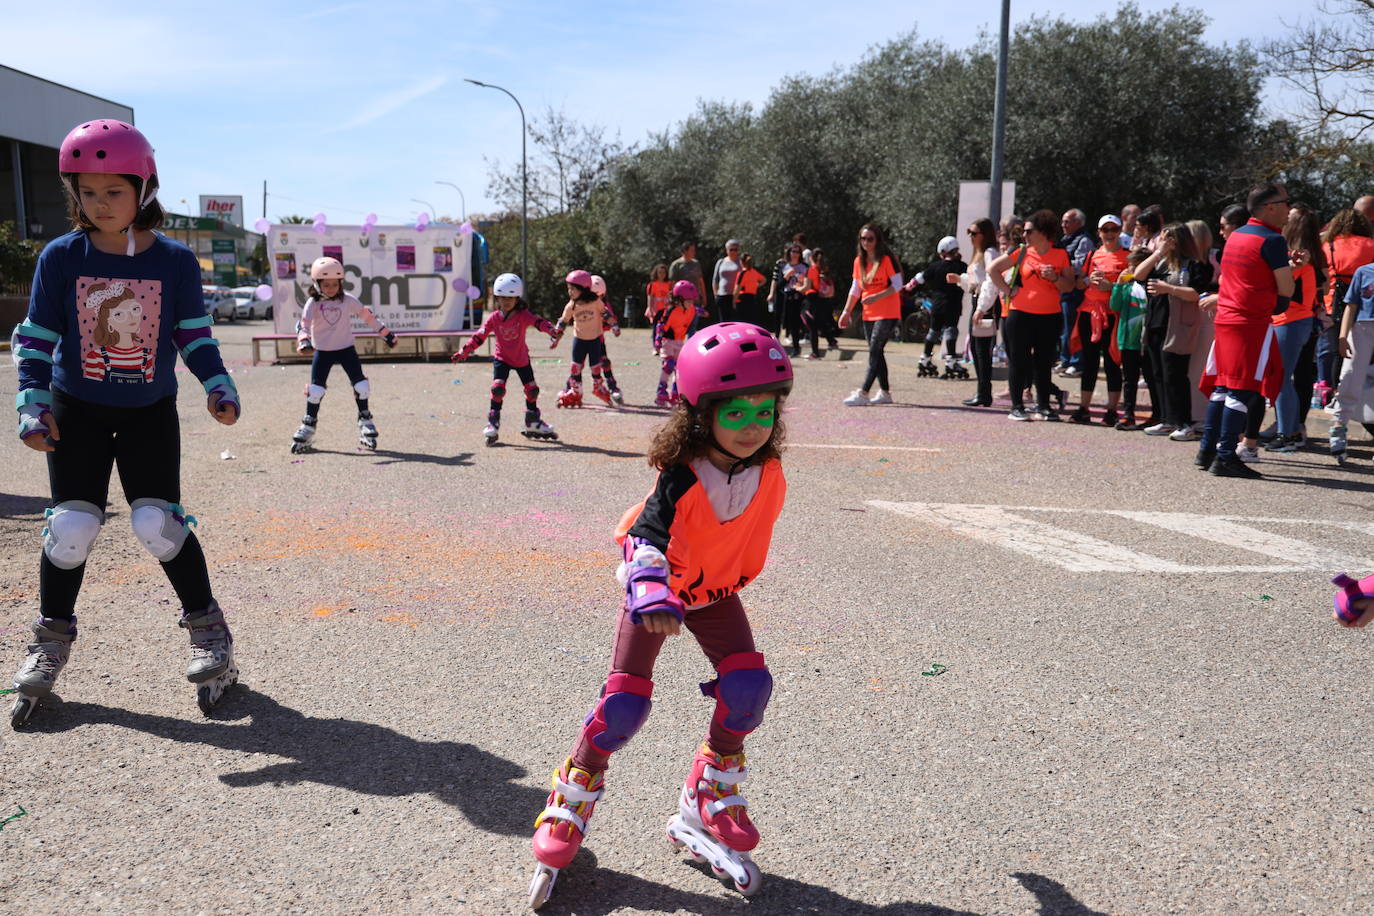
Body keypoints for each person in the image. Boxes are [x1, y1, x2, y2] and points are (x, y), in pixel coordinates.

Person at [527, 323, 792, 909]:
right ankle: (573, 793)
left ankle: (709, 788)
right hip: (660, 596)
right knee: (624, 703)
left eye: (764, 412)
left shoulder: (766, 471)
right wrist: (648, 586)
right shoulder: (681, 475)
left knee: (747, 687)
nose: (753, 427)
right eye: (736, 414)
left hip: (714, 591)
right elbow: (647, 533)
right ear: (701, 417)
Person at [9, 119, 242, 725]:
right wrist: (31, 402)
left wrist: (216, 384)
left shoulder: (173, 261)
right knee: (70, 528)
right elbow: (35, 337)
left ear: (144, 188)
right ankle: (49, 644)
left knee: (156, 524)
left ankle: (210, 635)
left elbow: (192, 335)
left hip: (147, 413)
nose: (99, 203)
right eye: (86, 192)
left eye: (113, 191)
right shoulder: (62, 257)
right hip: (75, 408)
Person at [1196, 183, 1299, 478]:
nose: (1288, 209)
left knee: (1222, 387)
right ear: (1270, 207)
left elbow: (1242, 276)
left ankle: (1207, 451)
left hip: (1226, 318)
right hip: (1250, 322)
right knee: (1242, 390)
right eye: (1285, 203)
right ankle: (1226, 455)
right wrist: (1287, 272)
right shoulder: (1273, 240)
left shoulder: (1237, 235)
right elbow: (1286, 288)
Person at [292, 257, 398, 452]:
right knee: (315, 390)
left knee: (362, 385)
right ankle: (308, 425)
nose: (331, 288)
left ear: (341, 283)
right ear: (317, 284)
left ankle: (365, 419)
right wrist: (303, 341)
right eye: (326, 284)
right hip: (323, 351)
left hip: (346, 348)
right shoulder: (313, 303)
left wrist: (386, 334)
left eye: (335, 284)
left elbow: (368, 316)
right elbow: (303, 324)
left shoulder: (347, 300)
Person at [450, 272, 559, 445]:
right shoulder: (494, 318)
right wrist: (464, 351)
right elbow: (480, 336)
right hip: (502, 359)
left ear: (517, 299)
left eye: (511, 298)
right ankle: (493, 422)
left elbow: (538, 322)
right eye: (502, 298)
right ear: (496, 298)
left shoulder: (523, 315)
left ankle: (532, 421)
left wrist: (551, 330)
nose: (506, 302)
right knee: (497, 389)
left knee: (532, 390)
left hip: (521, 358)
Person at [989, 209, 1077, 421]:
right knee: (1018, 362)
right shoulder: (1021, 252)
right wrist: (1009, 290)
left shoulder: (1060, 255)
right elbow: (993, 270)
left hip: (1049, 316)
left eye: (1029, 231)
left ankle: (1044, 405)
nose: (1025, 236)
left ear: (1043, 232)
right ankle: (1017, 406)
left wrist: (1055, 278)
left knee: (1044, 362)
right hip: (1020, 315)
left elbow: (1069, 286)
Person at [1133, 223, 1210, 438]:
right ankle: (1166, 419)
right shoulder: (1161, 262)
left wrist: (1168, 289)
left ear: (1178, 240)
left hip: (1177, 326)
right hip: (1155, 322)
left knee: (1175, 374)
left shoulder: (1194, 264)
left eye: (1166, 238)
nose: (1161, 241)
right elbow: (1138, 275)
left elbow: (1196, 293)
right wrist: (1158, 253)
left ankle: (1184, 423)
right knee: (1157, 373)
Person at [1265, 210, 1323, 452]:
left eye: (1289, 217)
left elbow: (1281, 282)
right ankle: (1288, 430)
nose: (1284, 219)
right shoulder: (1308, 256)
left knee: (1280, 378)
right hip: (1293, 321)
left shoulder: (1301, 258)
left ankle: (1288, 434)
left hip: (1291, 321)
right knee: (1282, 378)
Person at [1068, 215, 1130, 425]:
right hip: (1089, 312)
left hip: (1113, 314)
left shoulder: (1128, 257)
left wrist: (1111, 288)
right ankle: (1084, 407)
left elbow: (1134, 289)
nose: (1110, 233)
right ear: (1099, 232)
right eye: (1105, 230)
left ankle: (1112, 410)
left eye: (1113, 229)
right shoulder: (1093, 255)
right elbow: (1079, 284)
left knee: (1113, 362)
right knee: (1090, 361)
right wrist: (1088, 280)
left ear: (1120, 231)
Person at [839, 224, 904, 406]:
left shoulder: (886, 260)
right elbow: (856, 288)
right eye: (863, 238)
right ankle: (884, 392)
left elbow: (898, 284)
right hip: (869, 313)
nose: (866, 242)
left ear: (877, 240)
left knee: (875, 349)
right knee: (877, 351)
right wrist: (847, 311)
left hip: (888, 311)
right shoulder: (858, 261)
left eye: (870, 239)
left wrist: (877, 296)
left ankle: (863, 392)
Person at [1317, 209, 1374, 402]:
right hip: (1366, 304)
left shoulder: (1329, 245)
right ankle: (1364, 396)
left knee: (1337, 352)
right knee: (1365, 355)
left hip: (1334, 302)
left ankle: (1335, 394)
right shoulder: (1371, 245)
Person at [1329, 249, 1374, 463]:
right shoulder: (1364, 272)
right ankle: (1339, 425)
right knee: (1350, 376)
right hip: (1363, 328)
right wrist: (1342, 336)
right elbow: (1351, 306)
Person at [552, 269, 621, 409]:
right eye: (568, 289)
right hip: (579, 340)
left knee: (596, 367)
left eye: (573, 289)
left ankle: (598, 388)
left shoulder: (595, 301)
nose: (570, 292)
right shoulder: (572, 304)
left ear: (584, 289)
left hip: (595, 340)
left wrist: (614, 325)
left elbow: (605, 313)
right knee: (575, 367)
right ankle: (576, 392)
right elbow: (563, 321)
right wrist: (556, 337)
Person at [1108, 247, 1152, 429]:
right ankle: (1128, 414)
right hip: (1128, 341)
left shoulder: (1150, 286)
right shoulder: (1126, 286)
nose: (1131, 270)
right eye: (1130, 266)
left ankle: (1158, 414)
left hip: (1147, 341)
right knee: (1130, 379)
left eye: (1135, 266)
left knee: (1152, 378)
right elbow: (1114, 305)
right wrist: (1118, 284)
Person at [960, 218, 1001, 407]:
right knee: (977, 351)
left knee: (982, 351)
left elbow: (992, 282)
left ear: (984, 235)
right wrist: (960, 280)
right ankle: (982, 391)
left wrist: (982, 308)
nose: (971, 237)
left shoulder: (990, 253)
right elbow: (976, 282)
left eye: (974, 233)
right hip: (978, 300)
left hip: (986, 304)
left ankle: (984, 393)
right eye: (969, 232)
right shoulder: (978, 253)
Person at [914, 236, 968, 379]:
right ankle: (951, 362)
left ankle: (924, 359)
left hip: (937, 305)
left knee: (933, 331)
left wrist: (908, 285)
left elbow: (920, 278)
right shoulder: (962, 266)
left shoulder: (935, 266)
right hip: (953, 305)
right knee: (951, 331)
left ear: (943, 251)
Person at [1056, 209, 1093, 376]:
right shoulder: (1065, 240)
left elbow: (1082, 264)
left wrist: (1060, 266)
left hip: (1076, 291)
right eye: (1063, 221)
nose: (1063, 225)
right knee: (1065, 328)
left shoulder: (1084, 240)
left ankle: (1077, 362)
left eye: (1067, 221)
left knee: (1074, 327)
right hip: (1064, 290)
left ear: (1078, 223)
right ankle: (1065, 360)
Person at [654, 280, 702, 406]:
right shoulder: (671, 311)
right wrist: (657, 341)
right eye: (689, 300)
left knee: (679, 369)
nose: (691, 303)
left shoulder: (691, 309)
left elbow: (695, 310)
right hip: (668, 341)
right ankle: (661, 393)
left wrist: (701, 311)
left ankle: (676, 393)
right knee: (668, 365)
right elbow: (661, 325)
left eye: (692, 300)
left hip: (680, 342)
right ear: (679, 299)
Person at [768, 244, 810, 357]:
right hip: (786, 297)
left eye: (797, 252)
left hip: (800, 298)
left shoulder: (805, 266)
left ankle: (796, 348)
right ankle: (778, 347)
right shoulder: (783, 266)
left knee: (795, 324)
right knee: (782, 322)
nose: (795, 254)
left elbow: (808, 283)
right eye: (793, 251)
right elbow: (779, 285)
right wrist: (787, 276)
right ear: (789, 253)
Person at [801, 247, 840, 359]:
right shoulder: (824, 268)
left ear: (811, 257)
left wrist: (797, 287)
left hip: (813, 300)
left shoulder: (812, 270)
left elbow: (807, 287)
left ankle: (815, 353)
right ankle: (831, 341)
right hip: (823, 300)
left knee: (812, 326)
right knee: (821, 323)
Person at [669, 241, 708, 324]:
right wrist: (673, 299)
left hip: (695, 298)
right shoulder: (676, 265)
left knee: (693, 323)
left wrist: (704, 297)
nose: (694, 252)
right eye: (692, 250)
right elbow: (672, 284)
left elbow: (700, 281)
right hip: (682, 301)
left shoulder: (696, 263)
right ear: (685, 251)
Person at [712, 240, 742, 323]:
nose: (733, 252)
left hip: (736, 296)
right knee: (724, 321)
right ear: (727, 250)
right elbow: (715, 279)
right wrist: (716, 294)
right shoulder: (721, 262)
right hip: (722, 295)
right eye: (731, 249)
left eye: (735, 249)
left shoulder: (741, 262)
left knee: (736, 321)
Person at [644, 263, 672, 356]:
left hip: (666, 310)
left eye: (664, 273)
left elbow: (670, 296)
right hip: (656, 310)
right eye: (660, 272)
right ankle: (655, 347)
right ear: (656, 273)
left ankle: (664, 347)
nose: (662, 274)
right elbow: (650, 297)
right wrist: (650, 308)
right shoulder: (653, 285)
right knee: (656, 329)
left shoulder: (668, 284)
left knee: (666, 329)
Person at [733, 254, 767, 328]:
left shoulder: (742, 273)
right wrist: (757, 285)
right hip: (752, 298)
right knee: (751, 320)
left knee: (742, 321)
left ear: (741, 262)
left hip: (742, 299)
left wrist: (733, 301)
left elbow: (737, 288)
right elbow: (764, 279)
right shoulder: (754, 272)